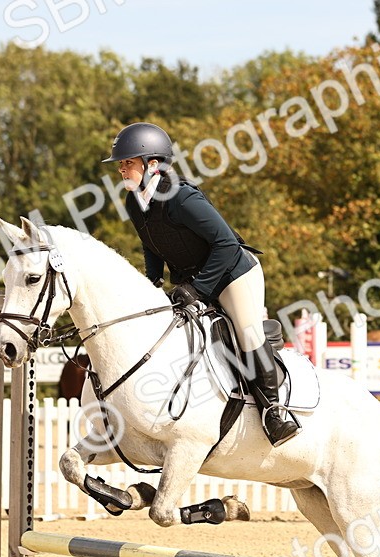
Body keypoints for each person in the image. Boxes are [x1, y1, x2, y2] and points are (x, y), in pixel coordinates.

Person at [105, 122, 299, 446]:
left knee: (247, 331)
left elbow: (226, 244)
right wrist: (152, 283)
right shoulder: (133, 203)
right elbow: (151, 245)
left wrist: (198, 289)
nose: (122, 169)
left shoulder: (181, 197)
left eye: (127, 162)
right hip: (193, 278)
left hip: (233, 273)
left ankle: (274, 413)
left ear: (152, 164)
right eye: (121, 164)